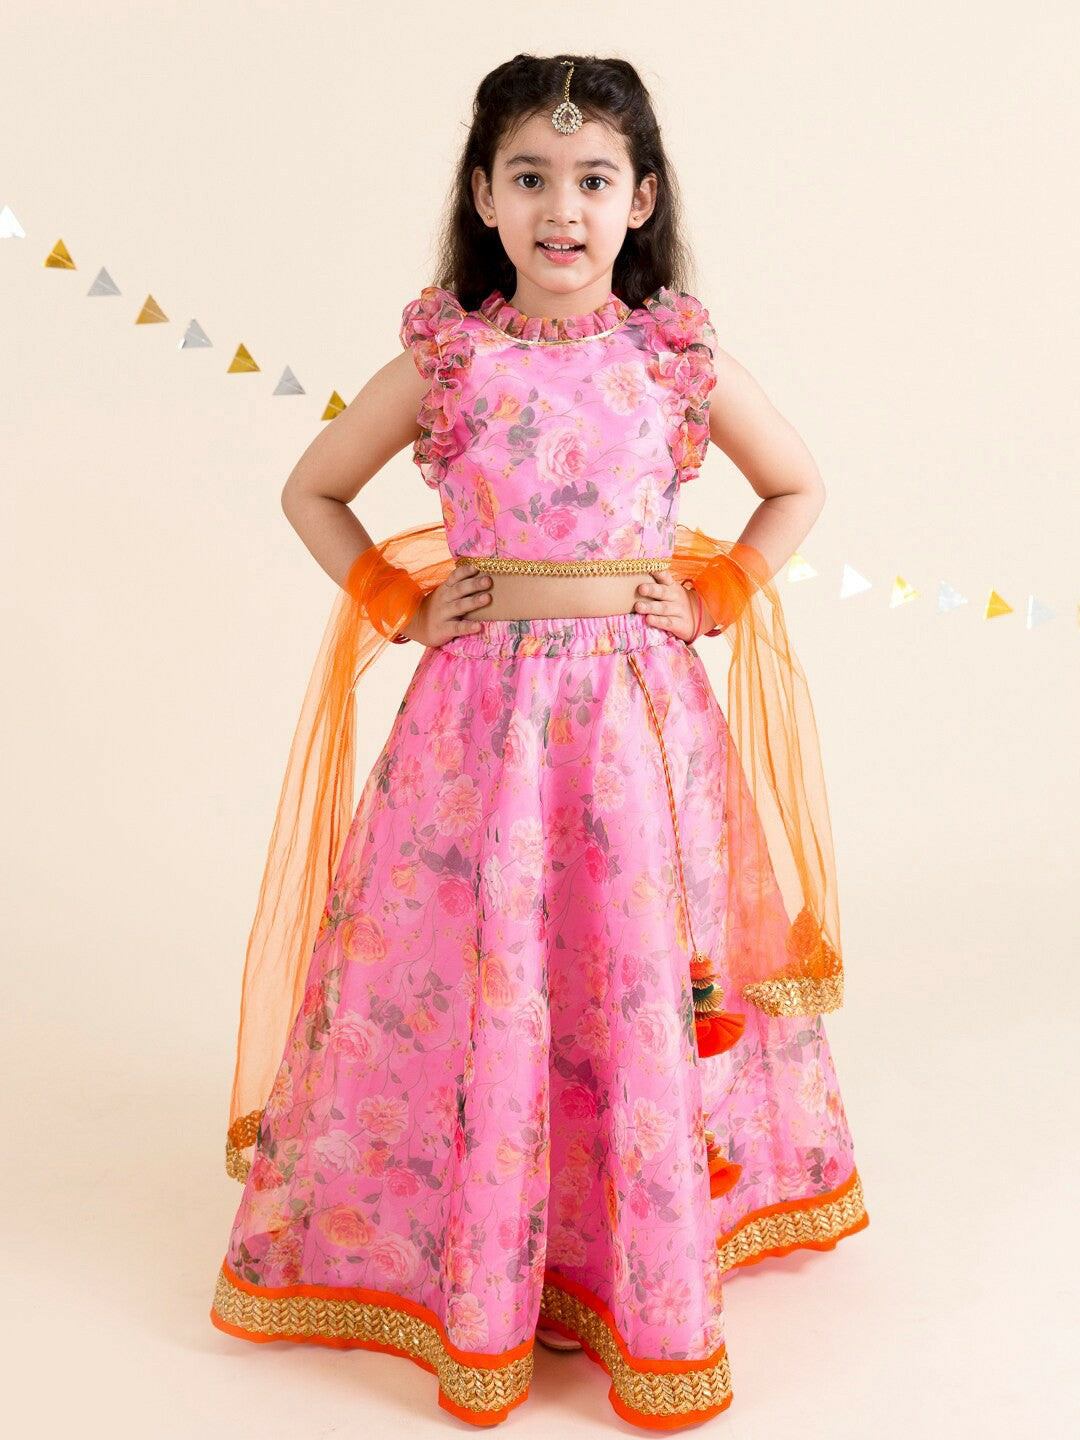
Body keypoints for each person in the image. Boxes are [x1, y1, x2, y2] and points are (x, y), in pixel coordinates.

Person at [208, 52, 868, 1430]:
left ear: (641, 201)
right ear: (483, 196)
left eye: (592, 180)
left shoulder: (672, 361)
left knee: (621, 975)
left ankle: (626, 1257)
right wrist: (396, 599)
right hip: (479, 737)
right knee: (492, 974)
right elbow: (314, 488)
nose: (562, 207)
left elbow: (797, 483)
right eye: (530, 177)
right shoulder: (448, 361)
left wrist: (719, 592)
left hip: (633, 733)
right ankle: (485, 1254)